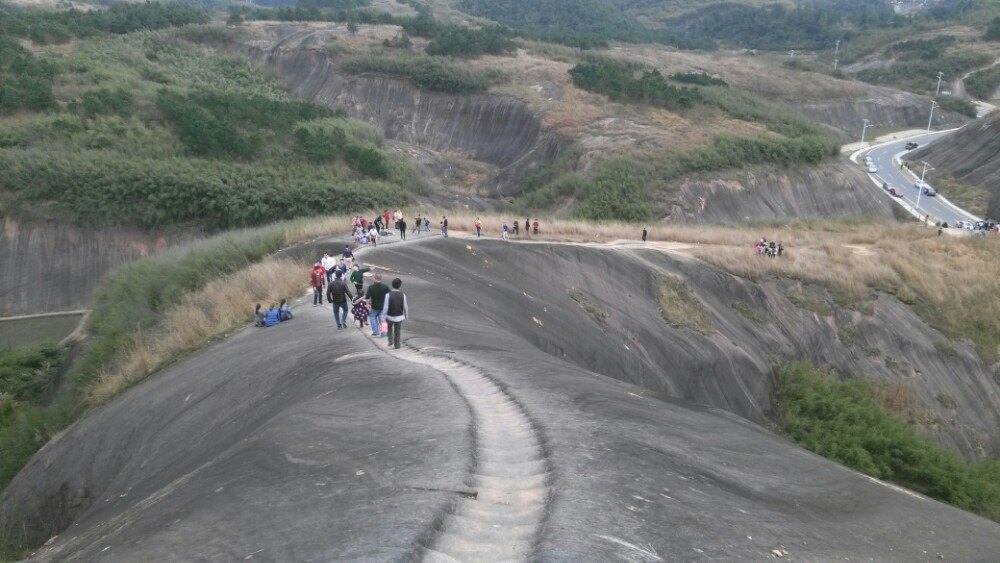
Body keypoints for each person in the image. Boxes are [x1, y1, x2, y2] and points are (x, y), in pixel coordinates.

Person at [382, 278, 408, 349]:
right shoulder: (403, 295)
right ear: (400, 285)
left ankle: (390, 340)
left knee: (389, 327)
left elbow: (386, 306)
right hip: (399, 316)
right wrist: (406, 314)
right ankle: (397, 345)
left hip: (389, 316)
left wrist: (383, 317)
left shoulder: (388, 295)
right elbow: (405, 305)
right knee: (398, 330)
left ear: (392, 285)